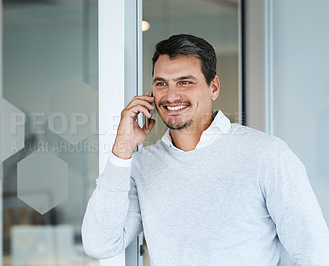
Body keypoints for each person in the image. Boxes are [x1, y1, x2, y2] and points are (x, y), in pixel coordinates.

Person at [81, 34, 329, 265]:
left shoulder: (266, 155)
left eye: (185, 82)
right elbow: (100, 244)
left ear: (214, 87)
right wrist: (122, 149)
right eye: (161, 83)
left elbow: (313, 252)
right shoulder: (142, 165)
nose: (171, 95)